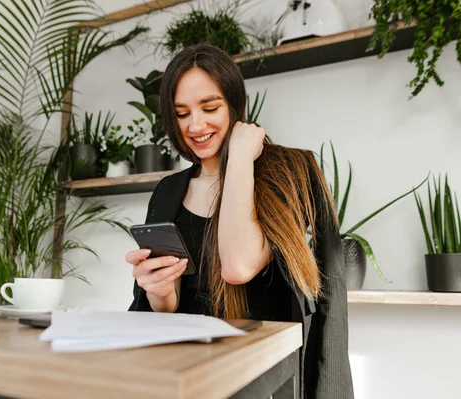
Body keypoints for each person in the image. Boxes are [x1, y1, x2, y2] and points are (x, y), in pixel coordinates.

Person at [125, 43, 354, 399]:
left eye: (210, 107)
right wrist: (160, 291)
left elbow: (238, 265)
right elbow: (168, 310)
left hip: (263, 377)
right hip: (189, 373)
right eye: (182, 113)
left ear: (234, 104)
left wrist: (242, 157)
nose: (195, 125)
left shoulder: (286, 172)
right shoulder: (168, 192)